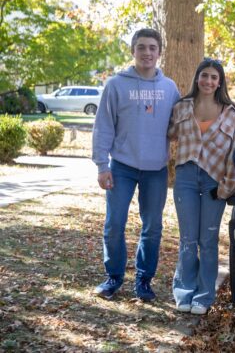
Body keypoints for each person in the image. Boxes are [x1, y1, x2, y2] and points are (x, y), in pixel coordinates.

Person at [92, 28, 180, 301]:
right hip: (122, 166)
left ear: (159, 52)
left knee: (152, 227)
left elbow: (178, 124)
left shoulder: (170, 88)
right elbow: (103, 126)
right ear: (133, 51)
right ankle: (114, 277)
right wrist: (101, 165)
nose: (147, 53)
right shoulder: (117, 85)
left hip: (156, 169)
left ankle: (144, 280)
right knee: (114, 224)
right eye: (141, 47)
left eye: (152, 47)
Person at [168, 58, 235, 315]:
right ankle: (184, 291)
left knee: (208, 240)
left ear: (219, 82)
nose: (208, 81)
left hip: (214, 181)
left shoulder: (230, 113)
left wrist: (226, 187)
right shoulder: (181, 107)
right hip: (186, 178)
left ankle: (203, 295)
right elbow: (166, 135)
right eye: (204, 75)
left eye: (214, 77)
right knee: (188, 238)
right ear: (197, 78)